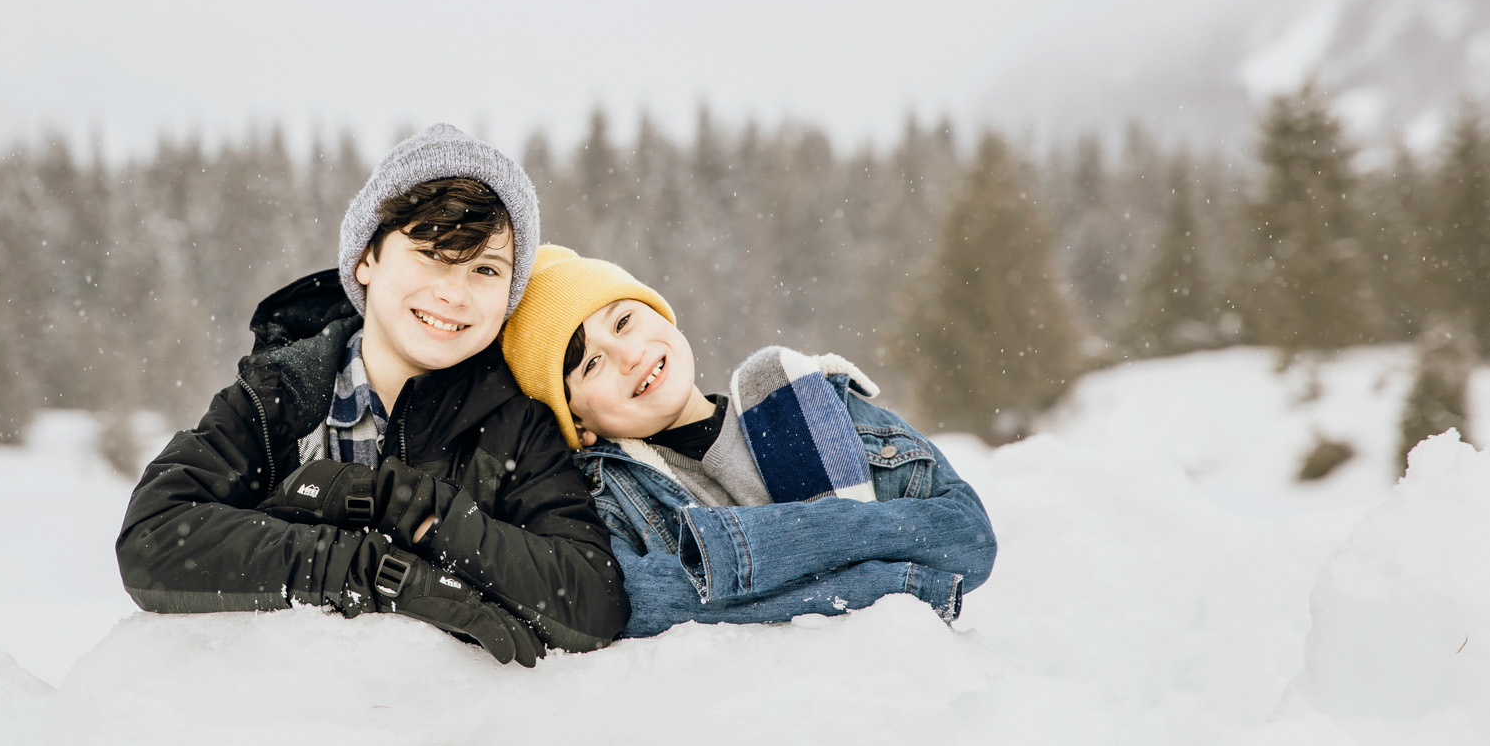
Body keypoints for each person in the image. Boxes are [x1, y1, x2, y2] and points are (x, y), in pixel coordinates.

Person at [115, 128, 626, 666]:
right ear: (365, 259)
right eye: (431, 254)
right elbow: (156, 536)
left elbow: (593, 600)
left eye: (485, 269)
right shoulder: (282, 397)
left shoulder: (517, 420)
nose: (454, 293)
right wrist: (374, 572)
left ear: (509, 294)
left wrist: (410, 508)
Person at [500, 246, 995, 637]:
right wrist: (886, 581)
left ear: (661, 314)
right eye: (591, 364)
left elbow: (967, 539)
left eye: (624, 321)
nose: (628, 355)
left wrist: (743, 553)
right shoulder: (611, 505)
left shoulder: (804, 397)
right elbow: (639, 603)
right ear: (579, 426)